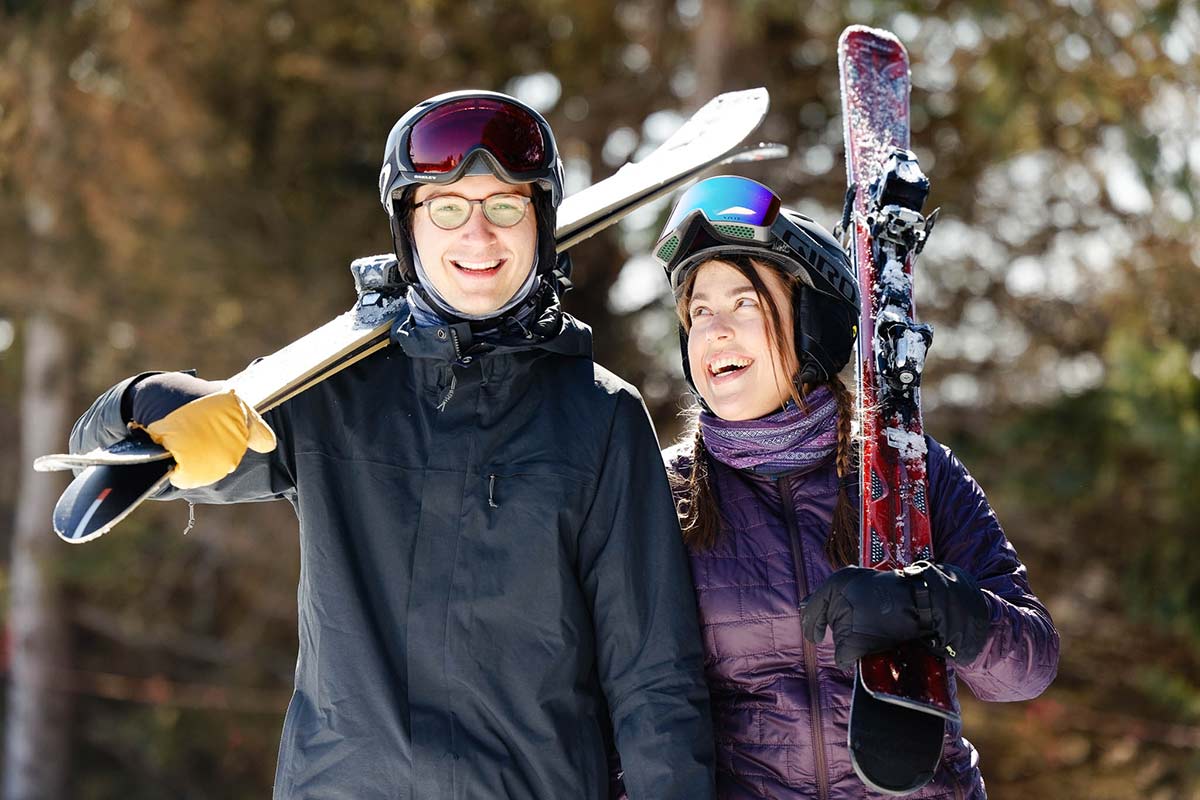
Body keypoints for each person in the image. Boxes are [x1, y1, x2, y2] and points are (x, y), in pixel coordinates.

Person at [69, 90, 715, 799]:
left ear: (541, 223)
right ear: (408, 226)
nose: (478, 236)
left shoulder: (600, 418)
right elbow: (114, 463)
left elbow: (654, 677)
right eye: (446, 208)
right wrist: (140, 403)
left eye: (505, 206)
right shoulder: (327, 394)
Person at [651, 175, 1059, 799]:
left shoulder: (910, 472)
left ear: (812, 323)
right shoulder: (662, 493)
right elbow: (627, 702)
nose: (715, 331)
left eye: (745, 303)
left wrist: (927, 605)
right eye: (699, 311)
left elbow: (1027, 666)